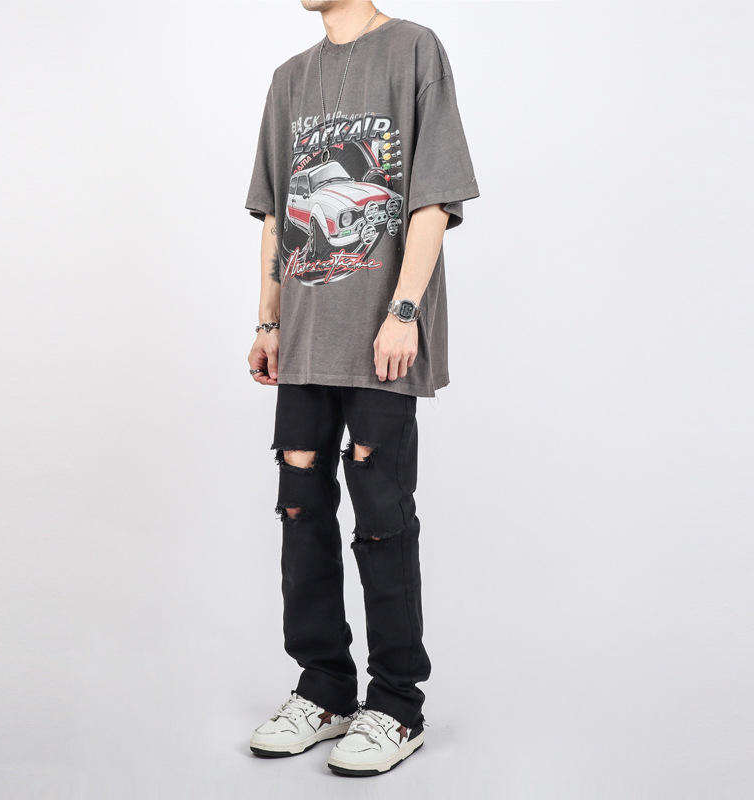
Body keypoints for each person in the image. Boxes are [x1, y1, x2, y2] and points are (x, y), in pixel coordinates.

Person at [245, 0, 478, 777]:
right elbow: (275, 216)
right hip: (305, 337)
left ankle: (397, 704)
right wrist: (268, 321)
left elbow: (433, 199)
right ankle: (324, 690)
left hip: (381, 333)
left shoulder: (413, 50)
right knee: (300, 512)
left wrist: (404, 311)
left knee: (382, 518)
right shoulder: (290, 78)